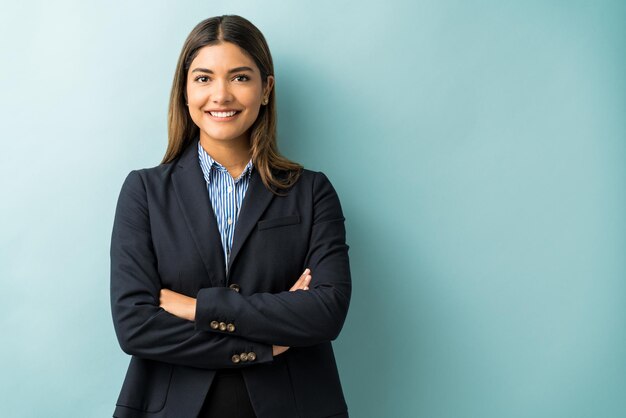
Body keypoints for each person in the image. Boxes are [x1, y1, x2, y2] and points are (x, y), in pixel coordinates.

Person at [110, 15, 352, 418]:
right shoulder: (145, 192)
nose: (220, 95)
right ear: (185, 92)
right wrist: (258, 346)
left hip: (295, 404)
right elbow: (135, 326)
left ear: (266, 89)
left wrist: (197, 308)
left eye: (240, 78)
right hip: (172, 406)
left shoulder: (311, 191)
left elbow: (326, 313)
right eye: (204, 78)